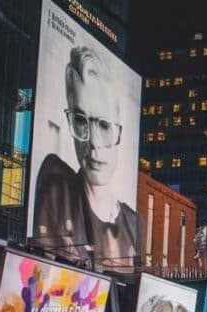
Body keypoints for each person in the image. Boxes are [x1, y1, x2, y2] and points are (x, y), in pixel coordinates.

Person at [33, 46, 139, 268]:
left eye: (103, 124)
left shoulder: (133, 223)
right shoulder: (57, 186)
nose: (93, 142)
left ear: (119, 130)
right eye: (81, 121)